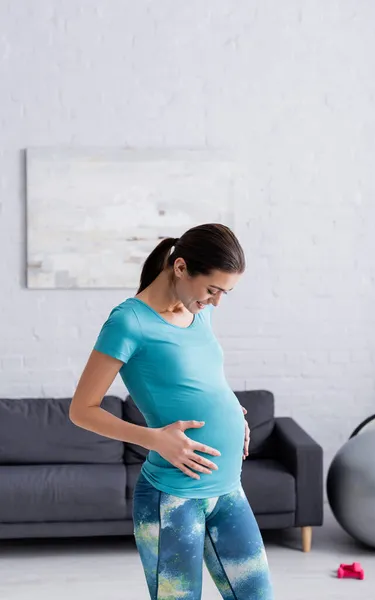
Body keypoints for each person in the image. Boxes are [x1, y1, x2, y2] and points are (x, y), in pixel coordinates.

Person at [70, 223, 273, 600]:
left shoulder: (200, 313)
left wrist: (232, 411)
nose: (216, 302)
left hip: (228, 488)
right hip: (173, 497)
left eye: (225, 292)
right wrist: (154, 439)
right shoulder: (128, 321)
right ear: (180, 268)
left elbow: (203, 377)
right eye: (213, 289)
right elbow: (81, 410)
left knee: (258, 595)